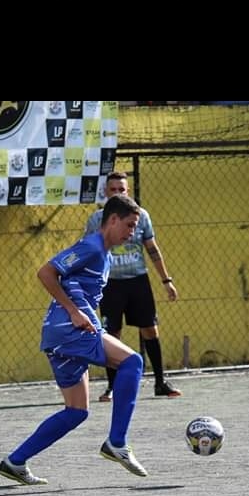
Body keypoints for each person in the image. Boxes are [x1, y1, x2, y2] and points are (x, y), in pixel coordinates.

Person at [0, 194, 148, 486]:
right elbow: (46, 272)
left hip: (61, 335)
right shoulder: (92, 247)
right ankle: (117, 442)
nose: (132, 233)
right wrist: (74, 311)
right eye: (129, 225)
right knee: (132, 362)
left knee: (76, 411)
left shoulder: (103, 255)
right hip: (70, 330)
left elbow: (73, 284)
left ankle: (14, 462)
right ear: (113, 219)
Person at [85, 171, 180, 402]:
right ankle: (112, 387)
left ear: (128, 192)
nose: (117, 193)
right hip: (111, 284)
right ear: (106, 192)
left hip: (138, 280)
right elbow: (89, 251)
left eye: (122, 189)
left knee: (150, 329)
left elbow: (152, 249)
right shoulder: (97, 219)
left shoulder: (141, 216)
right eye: (113, 189)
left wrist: (166, 280)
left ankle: (160, 382)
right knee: (111, 333)